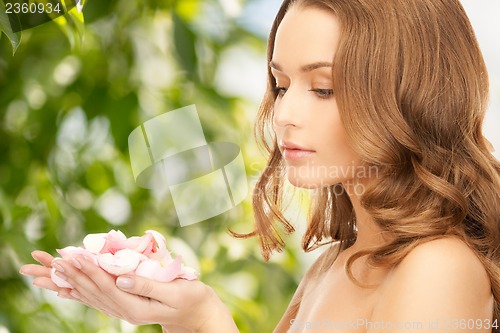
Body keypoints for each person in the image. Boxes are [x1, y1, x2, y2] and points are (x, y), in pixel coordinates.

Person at [20, 0, 500, 332]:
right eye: (281, 83)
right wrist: (183, 314)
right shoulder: (333, 265)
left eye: (324, 88)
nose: (284, 113)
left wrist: (208, 319)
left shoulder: (439, 268)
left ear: (410, 97)